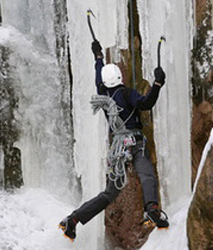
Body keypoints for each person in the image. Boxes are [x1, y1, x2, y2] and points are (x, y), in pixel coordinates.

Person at [59, 40, 169, 241]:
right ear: (119, 77)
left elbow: (98, 77)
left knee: (110, 193)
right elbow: (146, 104)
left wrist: (98, 57)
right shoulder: (126, 93)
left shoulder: (104, 94)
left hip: (118, 147)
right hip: (134, 142)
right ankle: (152, 209)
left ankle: (73, 220)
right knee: (146, 175)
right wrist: (157, 84)